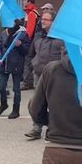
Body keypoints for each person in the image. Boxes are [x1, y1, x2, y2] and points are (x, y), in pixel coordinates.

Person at [25, 10, 64, 139]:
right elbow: (31, 53)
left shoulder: (62, 38)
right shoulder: (38, 36)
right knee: (37, 103)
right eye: (42, 19)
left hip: (56, 76)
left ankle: (53, 129)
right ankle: (36, 128)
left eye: (46, 19)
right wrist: (33, 64)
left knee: (54, 103)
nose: (42, 21)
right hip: (39, 74)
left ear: (54, 22)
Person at [0, 20, 30, 119]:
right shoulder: (3, 34)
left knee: (16, 89)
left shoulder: (22, 35)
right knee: (1, 87)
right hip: (3, 64)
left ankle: (16, 109)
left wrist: (20, 45)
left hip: (17, 65)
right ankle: (3, 104)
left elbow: (27, 50)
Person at [21, 0, 41, 91]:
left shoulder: (31, 14)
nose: (23, 2)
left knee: (27, 61)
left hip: (30, 41)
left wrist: (24, 41)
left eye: (25, 1)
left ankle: (27, 82)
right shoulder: (33, 13)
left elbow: (29, 31)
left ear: (29, 2)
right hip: (34, 41)